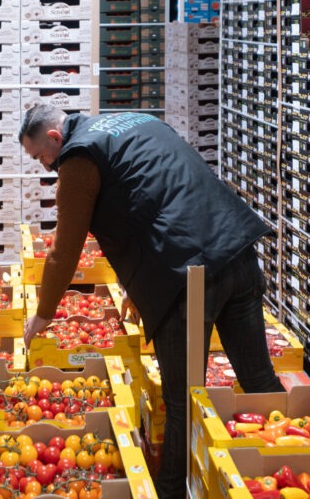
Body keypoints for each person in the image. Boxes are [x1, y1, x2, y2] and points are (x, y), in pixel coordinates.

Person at [19, 105, 285, 498]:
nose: (44, 166)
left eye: (41, 156)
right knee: (260, 381)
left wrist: (43, 314)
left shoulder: (77, 157)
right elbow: (155, 194)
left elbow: (65, 248)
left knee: (181, 403)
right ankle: (290, 465)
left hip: (187, 278)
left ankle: (171, 492)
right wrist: (136, 283)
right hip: (236, 248)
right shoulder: (135, 120)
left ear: (56, 138)